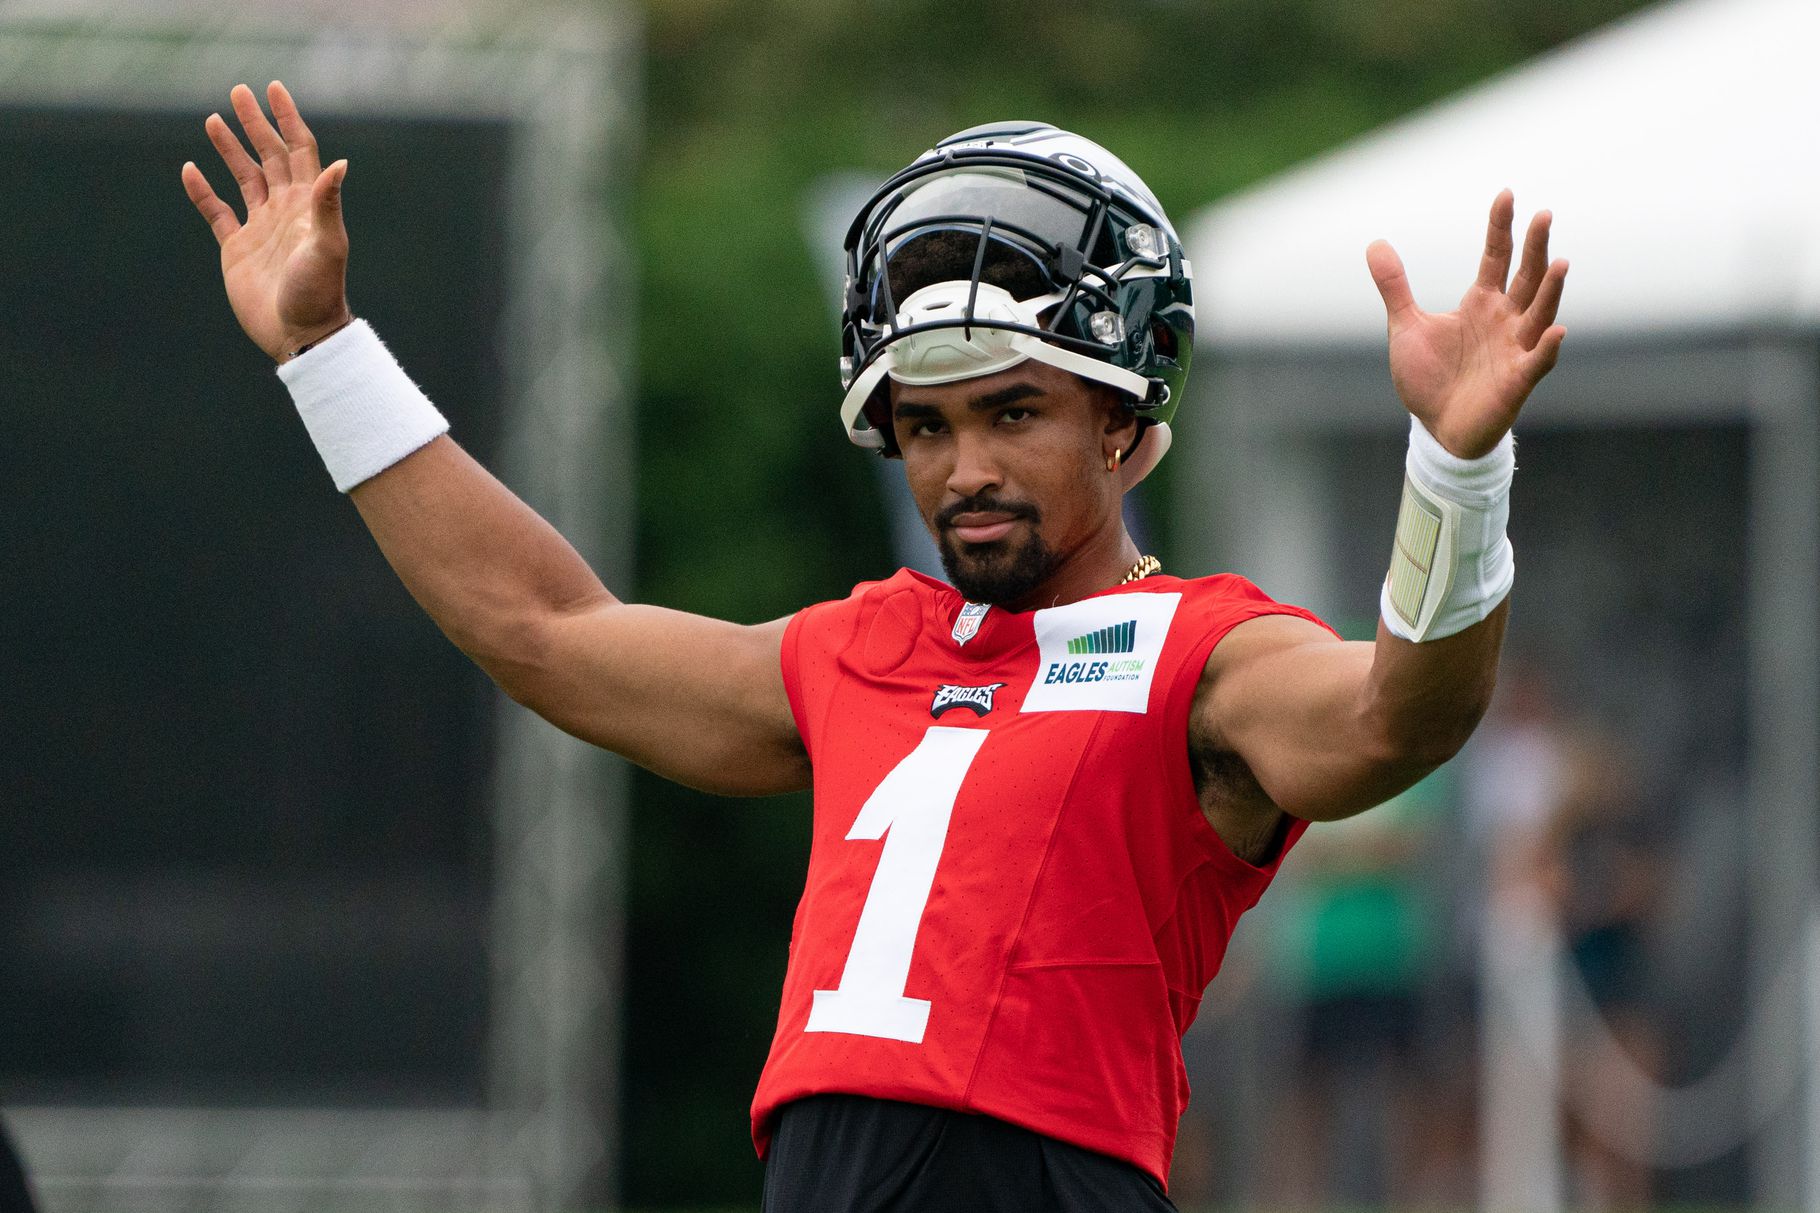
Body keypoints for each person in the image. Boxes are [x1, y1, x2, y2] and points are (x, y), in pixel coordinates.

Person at [182, 84, 1567, 1212]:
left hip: (1044, 1175)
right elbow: (548, 630)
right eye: (926, 424)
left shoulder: (1202, 651)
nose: (964, 465)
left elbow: (1403, 715)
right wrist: (324, 350)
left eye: (1013, 411)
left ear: (1124, 421)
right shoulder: (863, 644)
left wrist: (1457, 467)